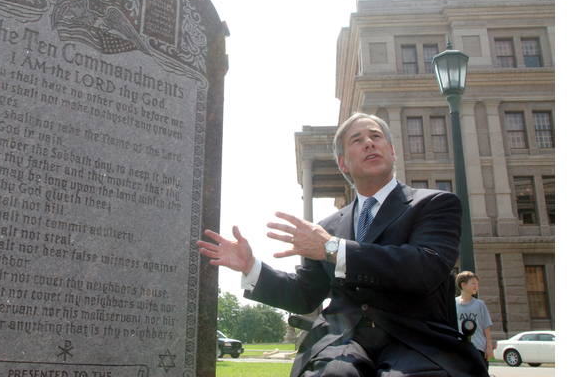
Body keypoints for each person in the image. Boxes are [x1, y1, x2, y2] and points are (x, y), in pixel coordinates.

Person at [197, 112, 488, 377]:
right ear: (343, 163)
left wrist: (334, 250)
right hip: (343, 341)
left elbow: (425, 268)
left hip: (415, 340)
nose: (369, 143)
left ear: (392, 151)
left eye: (376, 136)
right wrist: (251, 267)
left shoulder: (435, 204)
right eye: (357, 140)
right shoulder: (327, 227)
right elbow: (306, 294)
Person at [455, 271, 494, 371]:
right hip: (460, 349)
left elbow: (486, 327)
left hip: (478, 348)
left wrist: (489, 347)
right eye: (473, 283)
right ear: (463, 285)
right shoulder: (454, 304)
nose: (476, 286)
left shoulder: (480, 304)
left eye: (477, 284)